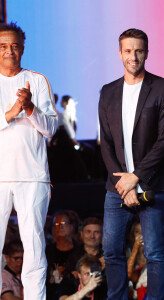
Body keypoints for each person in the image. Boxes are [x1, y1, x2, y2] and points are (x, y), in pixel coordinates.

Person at [98, 28, 164, 300]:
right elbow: (106, 143)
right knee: (111, 249)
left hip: (153, 183)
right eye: (128, 51)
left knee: (155, 251)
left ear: (146, 52)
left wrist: (137, 177)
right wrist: (125, 182)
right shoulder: (108, 92)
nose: (134, 56)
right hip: (117, 186)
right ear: (120, 53)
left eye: (139, 50)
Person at [0, 22, 58, 299]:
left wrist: (31, 108)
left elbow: (51, 129)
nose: (9, 51)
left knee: (34, 249)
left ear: (22, 49)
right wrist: (11, 112)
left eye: (14, 46)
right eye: (2, 46)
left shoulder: (37, 80)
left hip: (33, 176)